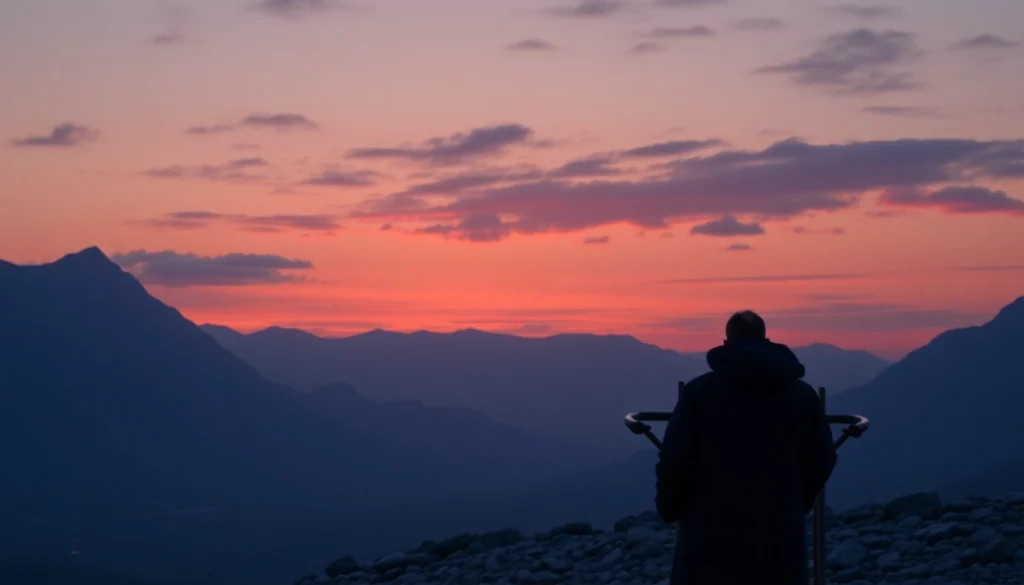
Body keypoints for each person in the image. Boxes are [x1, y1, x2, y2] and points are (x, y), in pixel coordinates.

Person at [655, 310, 837, 585]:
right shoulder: (803, 395)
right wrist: (799, 500)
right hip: (779, 528)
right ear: (766, 339)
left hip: (709, 530)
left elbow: (674, 459)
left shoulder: (699, 393)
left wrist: (670, 507)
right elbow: (822, 457)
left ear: (726, 341)